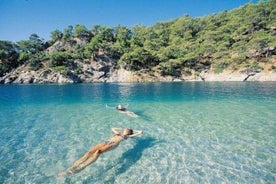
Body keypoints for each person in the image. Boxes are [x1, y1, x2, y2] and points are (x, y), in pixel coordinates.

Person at [58, 128, 143, 176]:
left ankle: (81, 168)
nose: (126, 129)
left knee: (98, 152)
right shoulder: (119, 132)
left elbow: (139, 133)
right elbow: (112, 127)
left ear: (128, 132)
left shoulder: (127, 136)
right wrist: (121, 129)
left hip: (113, 144)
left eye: (127, 129)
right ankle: (72, 168)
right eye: (126, 128)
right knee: (88, 152)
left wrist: (134, 131)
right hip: (106, 141)